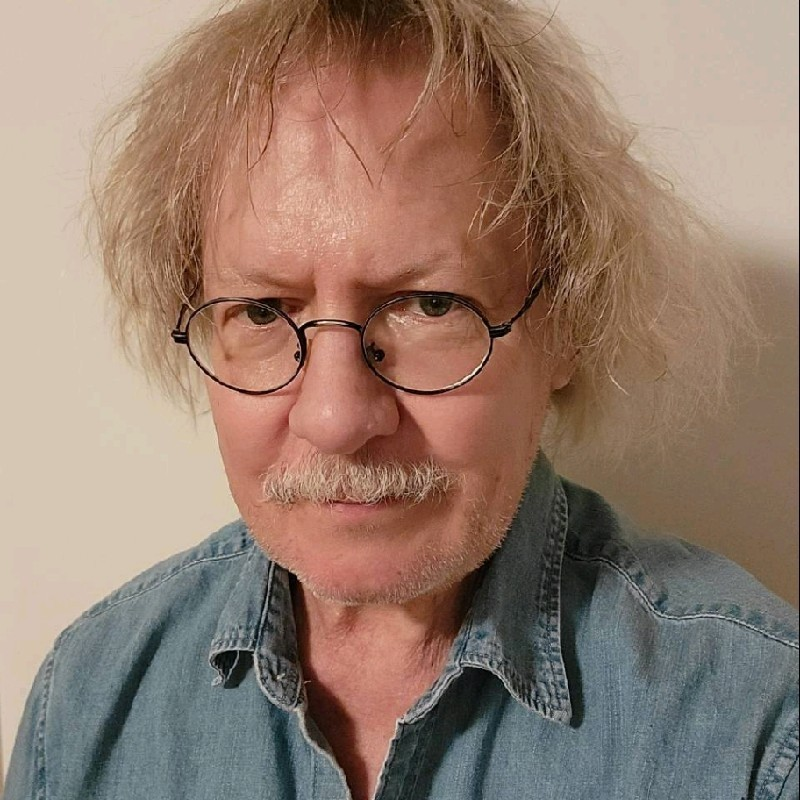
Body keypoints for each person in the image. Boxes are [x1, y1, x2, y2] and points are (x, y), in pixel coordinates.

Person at [4, 1, 797, 798]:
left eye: (430, 305)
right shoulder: (91, 698)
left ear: (566, 324)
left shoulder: (756, 729)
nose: (335, 419)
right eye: (263, 313)